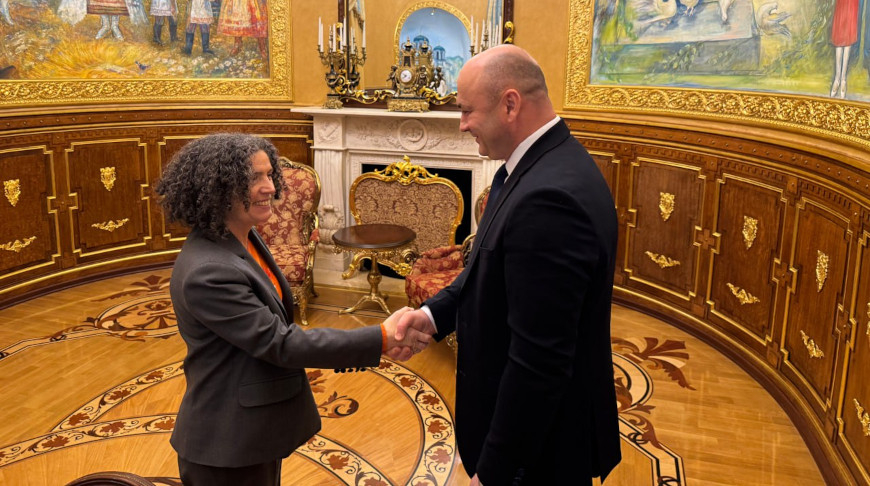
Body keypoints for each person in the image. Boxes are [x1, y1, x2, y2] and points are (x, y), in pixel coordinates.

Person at [396, 45, 622, 485]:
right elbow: (484, 270)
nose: (462, 126)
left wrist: (495, 472)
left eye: (466, 112)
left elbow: (539, 361)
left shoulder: (548, 199)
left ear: (511, 104)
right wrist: (429, 316)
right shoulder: (526, 169)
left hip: (541, 452)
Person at [155, 133, 430, 486]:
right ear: (218, 187)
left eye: (270, 175)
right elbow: (281, 343)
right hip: (225, 444)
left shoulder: (244, 237)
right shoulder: (208, 271)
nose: (270, 187)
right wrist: (381, 337)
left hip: (254, 431)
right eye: (254, 178)